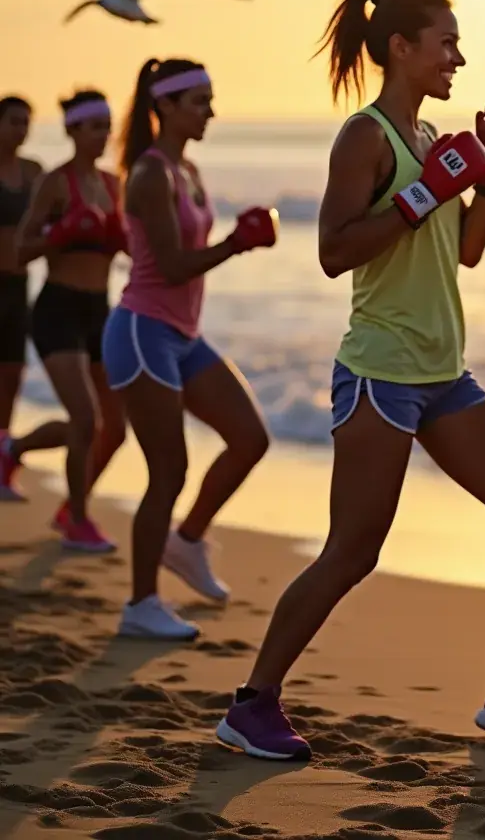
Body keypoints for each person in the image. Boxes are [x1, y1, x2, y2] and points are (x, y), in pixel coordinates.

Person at [215, 0, 485, 762]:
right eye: (446, 42)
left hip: (444, 373)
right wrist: (426, 190)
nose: (459, 57)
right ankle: (252, 704)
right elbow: (333, 251)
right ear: (401, 49)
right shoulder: (370, 136)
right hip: (379, 372)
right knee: (353, 551)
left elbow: (467, 252)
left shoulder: (432, 135)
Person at [101, 57, 278, 640]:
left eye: (210, 98)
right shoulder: (150, 175)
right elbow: (173, 266)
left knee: (250, 437)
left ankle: (188, 540)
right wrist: (236, 243)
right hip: (141, 332)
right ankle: (140, 603)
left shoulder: (190, 169)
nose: (210, 111)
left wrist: (237, 239)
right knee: (168, 470)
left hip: (181, 334)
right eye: (199, 100)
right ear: (167, 107)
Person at [1, 89, 128, 548]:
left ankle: (14, 451)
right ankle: (76, 518)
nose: (104, 135)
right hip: (57, 311)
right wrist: (60, 232)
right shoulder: (55, 183)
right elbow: (22, 249)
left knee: (115, 427)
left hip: (101, 313)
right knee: (85, 418)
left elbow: (134, 251)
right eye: (95, 126)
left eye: (107, 126)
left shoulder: (115, 185)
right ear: (73, 130)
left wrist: (125, 239)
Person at [0, 96, 66, 500]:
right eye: (13, 121)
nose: (21, 129)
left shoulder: (34, 173)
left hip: (18, 285)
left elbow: (56, 222)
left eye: (26, 122)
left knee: (10, 376)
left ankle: (2, 459)